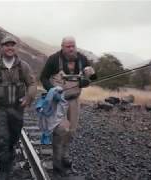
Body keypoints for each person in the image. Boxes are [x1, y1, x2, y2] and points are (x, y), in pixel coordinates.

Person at [0, 35, 37, 180]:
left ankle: (10, 153)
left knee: (13, 137)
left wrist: (29, 97)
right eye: (6, 45)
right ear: (2, 47)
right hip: (0, 109)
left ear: (15, 48)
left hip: (18, 108)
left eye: (12, 45)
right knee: (2, 138)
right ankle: (3, 169)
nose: (10, 47)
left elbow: (32, 83)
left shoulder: (23, 66)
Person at [40, 36, 97, 177]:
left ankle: (65, 157)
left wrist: (88, 79)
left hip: (75, 100)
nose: (71, 48)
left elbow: (93, 78)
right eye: (68, 46)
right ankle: (57, 162)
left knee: (71, 131)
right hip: (58, 101)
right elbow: (43, 78)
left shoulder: (82, 59)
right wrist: (52, 91)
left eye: (73, 46)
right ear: (62, 47)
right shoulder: (53, 59)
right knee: (61, 130)